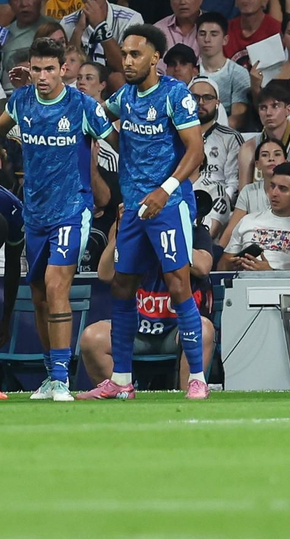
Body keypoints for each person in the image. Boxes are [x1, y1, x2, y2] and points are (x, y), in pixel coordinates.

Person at [0, 38, 113, 400]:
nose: (42, 76)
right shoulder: (22, 101)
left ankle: (61, 378)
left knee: (55, 286)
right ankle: (50, 376)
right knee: (39, 294)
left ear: (63, 70)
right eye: (36, 69)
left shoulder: (83, 106)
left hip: (72, 210)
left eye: (49, 69)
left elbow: (117, 140)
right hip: (34, 213)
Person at [78, 24, 206, 401]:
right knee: (121, 284)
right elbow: (117, 134)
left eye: (135, 54)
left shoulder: (175, 95)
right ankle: (121, 380)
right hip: (133, 206)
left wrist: (164, 191)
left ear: (155, 58)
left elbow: (195, 151)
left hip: (169, 203)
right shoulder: (124, 98)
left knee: (178, 283)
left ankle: (197, 377)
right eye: (124, 54)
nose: (127, 61)